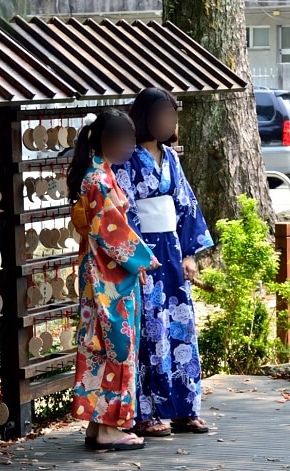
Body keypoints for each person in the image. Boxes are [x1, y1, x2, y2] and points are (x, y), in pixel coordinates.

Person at [114, 87, 214, 437]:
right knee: (149, 332)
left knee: (180, 328)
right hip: (145, 255)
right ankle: (146, 412)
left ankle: (186, 407)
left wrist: (189, 254)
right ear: (143, 118)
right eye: (159, 116)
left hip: (171, 250)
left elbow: (187, 205)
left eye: (170, 116)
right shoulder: (126, 158)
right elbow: (123, 213)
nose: (166, 122)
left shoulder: (171, 157)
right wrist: (138, 259)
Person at [68, 109, 160, 451]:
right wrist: (143, 259)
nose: (128, 146)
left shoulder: (98, 174)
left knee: (100, 347)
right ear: (104, 140)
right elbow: (111, 232)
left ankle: (97, 423)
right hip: (109, 275)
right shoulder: (99, 180)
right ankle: (109, 428)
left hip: (101, 272)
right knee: (116, 347)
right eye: (122, 139)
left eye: (131, 139)